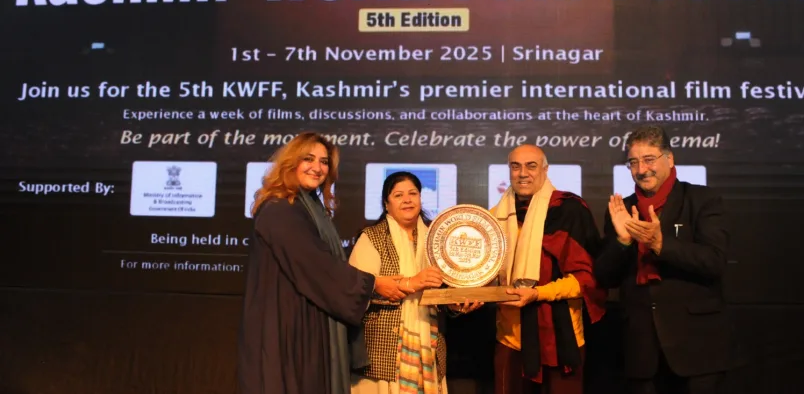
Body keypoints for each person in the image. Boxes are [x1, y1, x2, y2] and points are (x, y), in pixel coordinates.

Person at [238, 132, 408, 394]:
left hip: (305, 320)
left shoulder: (309, 207)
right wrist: (372, 284)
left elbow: (323, 261)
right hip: (285, 328)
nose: (317, 168)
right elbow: (316, 265)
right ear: (290, 162)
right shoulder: (279, 209)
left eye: (324, 162)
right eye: (308, 159)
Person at [593, 125, 732, 394]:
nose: (641, 169)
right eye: (633, 162)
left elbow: (714, 261)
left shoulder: (702, 200)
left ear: (669, 159)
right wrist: (623, 241)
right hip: (641, 349)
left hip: (698, 346)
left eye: (649, 159)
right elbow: (605, 277)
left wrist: (660, 244)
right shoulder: (623, 209)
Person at [349, 171, 482, 394]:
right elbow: (356, 292)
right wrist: (411, 283)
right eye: (398, 195)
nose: (407, 200)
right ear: (386, 204)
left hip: (428, 348)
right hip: (383, 354)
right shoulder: (371, 238)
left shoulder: (437, 238)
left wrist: (456, 305)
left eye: (413, 193)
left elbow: (444, 294)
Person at [490, 144, 605, 394]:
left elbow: (585, 279)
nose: (523, 173)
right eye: (516, 166)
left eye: (531, 166)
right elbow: (486, 277)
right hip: (511, 340)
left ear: (545, 169)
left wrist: (538, 293)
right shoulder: (494, 218)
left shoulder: (569, 210)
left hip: (560, 339)